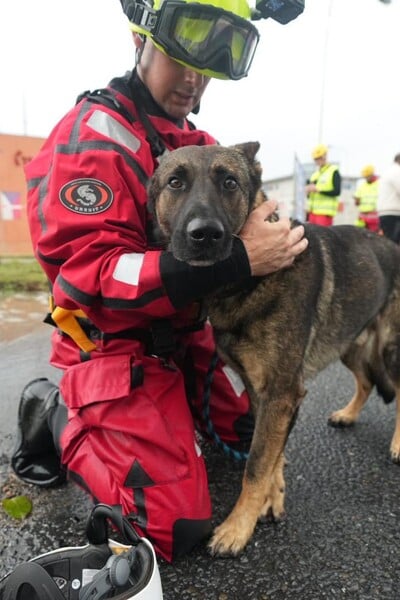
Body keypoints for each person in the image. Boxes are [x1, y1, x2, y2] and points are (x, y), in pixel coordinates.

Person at [11, 0, 308, 563]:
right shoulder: (94, 136)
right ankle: (52, 415)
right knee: (174, 523)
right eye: (180, 58)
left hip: (189, 337)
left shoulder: (195, 140)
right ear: (139, 38)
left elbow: (250, 223)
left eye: (207, 67)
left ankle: (175, 420)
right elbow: (87, 281)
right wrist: (239, 261)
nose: (194, 80)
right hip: (116, 347)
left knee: (252, 432)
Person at [304, 143, 342, 226]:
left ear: (325, 156)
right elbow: (310, 197)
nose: (317, 161)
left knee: (324, 238)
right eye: (316, 159)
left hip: (325, 214)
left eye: (319, 158)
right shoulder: (314, 175)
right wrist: (308, 192)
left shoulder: (333, 171)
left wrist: (318, 190)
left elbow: (337, 191)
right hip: (312, 213)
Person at [377, 153, 400, 243]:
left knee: (389, 244)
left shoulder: (389, 171)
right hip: (393, 213)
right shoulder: (397, 172)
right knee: (393, 245)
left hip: (387, 212)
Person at [353, 164, 380, 232]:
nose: (366, 178)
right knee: (358, 234)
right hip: (362, 216)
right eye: (365, 176)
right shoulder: (362, 186)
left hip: (374, 216)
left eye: (368, 176)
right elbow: (357, 200)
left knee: (374, 237)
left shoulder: (379, 184)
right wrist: (357, 200)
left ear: (372, 174)